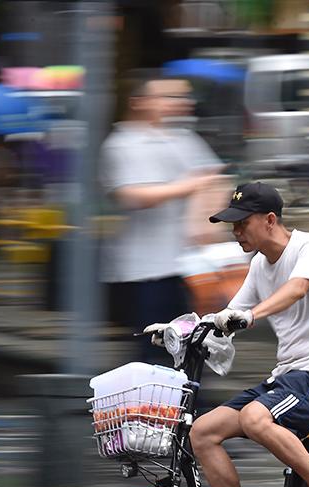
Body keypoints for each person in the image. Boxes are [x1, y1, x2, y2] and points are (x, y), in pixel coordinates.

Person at [187, 182, 309, 487]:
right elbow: (230, 314)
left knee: (254, 417)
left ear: (269, 220)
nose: (235, 232)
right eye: (232, 225)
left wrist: (251, 316)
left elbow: (297, 288)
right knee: (202, 431)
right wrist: (182, 329)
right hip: (289, 377)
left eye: (241, 223)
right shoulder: (260, 265)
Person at [99, 71, 223, 363]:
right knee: (155, 349)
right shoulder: (122, 144)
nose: (179, 102)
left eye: (182, 96)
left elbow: (215, 178)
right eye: (168, 96)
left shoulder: (185, 138)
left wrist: (204, 219)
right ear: (139, 102)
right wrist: (190, 186)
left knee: (193, 348)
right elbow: (133, 195)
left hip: (189, 264)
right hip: (145, 269)